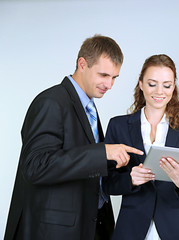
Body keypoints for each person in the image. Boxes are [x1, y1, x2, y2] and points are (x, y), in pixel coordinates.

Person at [4, 35, 143, 240]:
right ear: (82, 64)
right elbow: (35, 166)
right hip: (54, 232)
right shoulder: (51, 102)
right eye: (104, 75)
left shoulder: (88, 106)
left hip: (88, 226)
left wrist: (124, 169)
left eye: (114, 77)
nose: (109, 84)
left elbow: (83, 166)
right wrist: (102, 152)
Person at [103, 54, 179, 240]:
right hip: (132, 228)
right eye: (152, 84)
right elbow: (106, 183)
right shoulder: (118, 126)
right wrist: (130, 179)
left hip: (178, 228)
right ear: (141, 84)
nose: (159, 91)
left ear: (173, 86)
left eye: (166, 85)